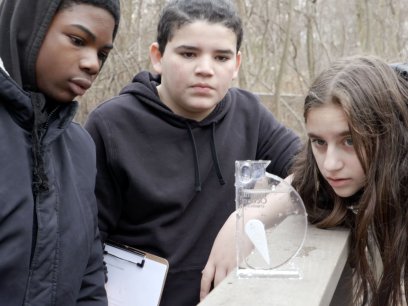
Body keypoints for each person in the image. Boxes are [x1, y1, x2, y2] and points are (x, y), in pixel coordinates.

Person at [84, 0, 300, 305]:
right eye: (188, 54)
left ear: (236, 64)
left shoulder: (249, 115)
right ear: (157, 57)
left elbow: (311, 169)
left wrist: (250, 217)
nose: (205, 69)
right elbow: (86, 243)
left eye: (221, 57)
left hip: (225, 298)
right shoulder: (111, 125)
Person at [0, 0, 120, 304]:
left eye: (103, 54)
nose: (93, 63)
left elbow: (90, 278)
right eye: (78, 41)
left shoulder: (81, 148)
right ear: (29, 30)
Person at [289, 55, 408, 305]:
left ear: (388, 133)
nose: (330, 164)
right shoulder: (321, 180)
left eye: (350, 141)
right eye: (319, 142)